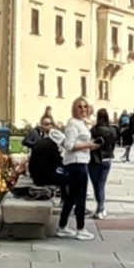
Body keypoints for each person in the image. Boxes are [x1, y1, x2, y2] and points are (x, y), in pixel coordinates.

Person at [57, 98, 99, 240]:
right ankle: (80, 228)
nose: (83, 109)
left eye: (85, 107)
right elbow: (68, 145)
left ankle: (62, 226)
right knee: (80, 197)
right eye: (80, 107)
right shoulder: (73, 124)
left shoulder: (82, 123)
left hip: (81, 162)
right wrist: (88, 144)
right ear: (74, 109)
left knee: (72, 197)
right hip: (76, 163)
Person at [90, 108, 119, 220]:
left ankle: (100, 208)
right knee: (101, 185)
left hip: (94, 160)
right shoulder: (113, 130)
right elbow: (113, 145)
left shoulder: (94, 130)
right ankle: (100, 208)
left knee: (96, 186)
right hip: (107, 160)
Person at [25, 114, 65, 192]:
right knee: (68, 175)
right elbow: (57, 162)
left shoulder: (40, 142)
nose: (49, 126)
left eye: (50, 124)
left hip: (36, 177)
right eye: (46, 124)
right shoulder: (51, 145)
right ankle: (65, 199)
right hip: (44, 178)